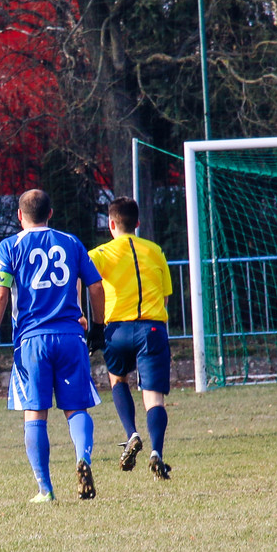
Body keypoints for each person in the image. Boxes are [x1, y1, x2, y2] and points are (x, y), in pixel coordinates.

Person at [0, 188, 106, 502]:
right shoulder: (71, 242)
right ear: (50, 213)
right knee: (76, 408)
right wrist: (98, 327)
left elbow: (0, 294)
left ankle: (45, 489)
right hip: (70, 337)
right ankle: (83, 458)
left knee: (35, 413)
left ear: (19, 216)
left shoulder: (10, 246)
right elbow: (95, 285)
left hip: (32, 341)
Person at [87, 196, 174, 479]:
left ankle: (131, 433)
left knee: (118, 380)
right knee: (154, 397)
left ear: (111, 224)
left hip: (117, 330)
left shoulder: (101, 253)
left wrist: (85, 318)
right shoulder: (155, 251)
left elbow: (82, 275)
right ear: (137, 223)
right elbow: (165, 296)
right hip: (151, 329)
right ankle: (156, 452)